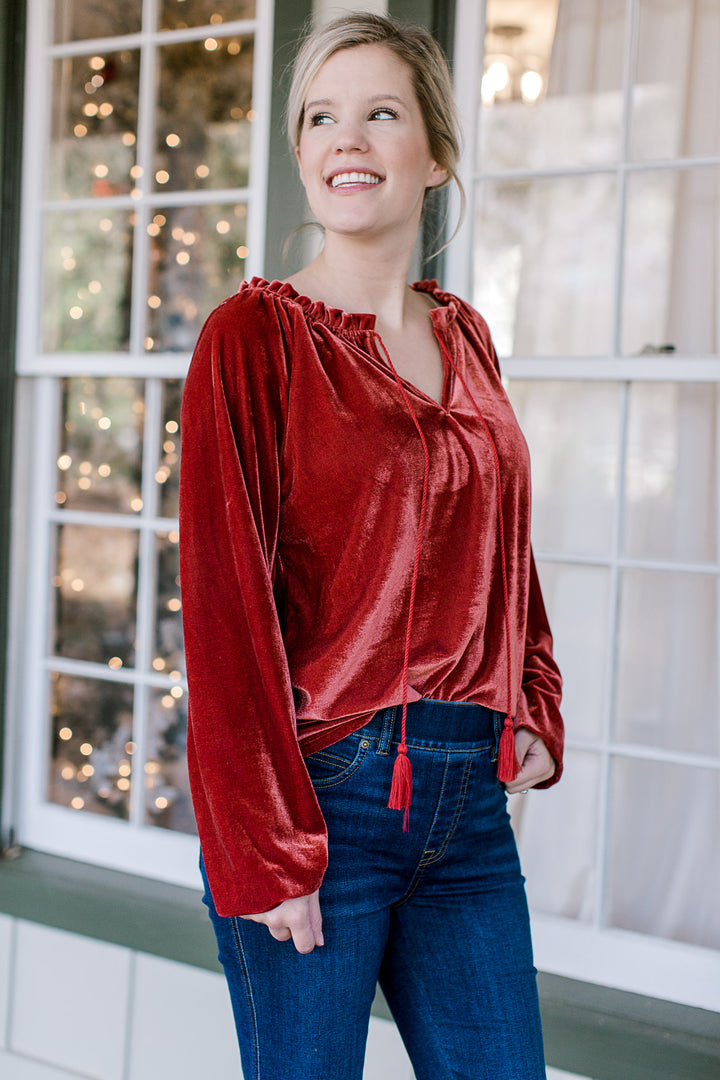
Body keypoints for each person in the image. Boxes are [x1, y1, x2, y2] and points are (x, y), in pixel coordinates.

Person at [179, 12, 563, 1080]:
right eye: (321, 118)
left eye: (380, 113)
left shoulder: (465, 334)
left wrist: (532, 695)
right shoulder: (252, 339)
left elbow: (500, 534)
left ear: (435, 153)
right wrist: (268, 848)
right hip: (320, 799)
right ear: (301, 152)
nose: (346, 139)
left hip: (469, 805)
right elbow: (223, 609)